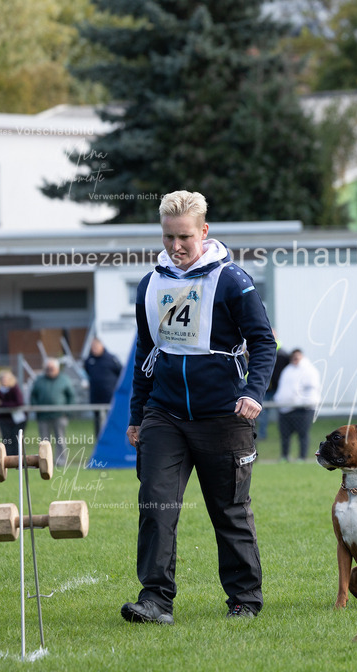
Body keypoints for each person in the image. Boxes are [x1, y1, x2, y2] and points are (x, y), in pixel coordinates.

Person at [122, 190, 276, 625]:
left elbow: (264, 342)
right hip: (164, 415)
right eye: (169, 237)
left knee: (228, 511)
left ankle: (244, 598)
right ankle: (155, 600)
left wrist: (253, 392)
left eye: (185, 237)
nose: (176, 246)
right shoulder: (150, 286)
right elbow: (145, 354)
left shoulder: (232, 280)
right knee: (156, 505)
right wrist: (137, 414)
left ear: (204, 232)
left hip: (224, 416)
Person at [273, 348, 321, 461]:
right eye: (293, 357)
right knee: (285, 435)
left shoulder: (309, 370)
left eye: (297, 357)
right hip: (285, 408)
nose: (295, 359)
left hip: (303, 408)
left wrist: (298, 399)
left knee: (302, 434)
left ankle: (302, 457)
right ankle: (284, 456)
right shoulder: (287, 370)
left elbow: (311, 388)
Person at [29, 358, 76, 466]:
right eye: (48, 368)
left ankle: (61, 462)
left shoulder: (64, 379)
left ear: (57, 368)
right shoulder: (39, 380)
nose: (50, 370)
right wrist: (36, 408)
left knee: (60, 439)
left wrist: (68, 411)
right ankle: (45, 461)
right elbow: (33, 395)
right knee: (44, 441)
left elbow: (71, 396)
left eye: (52, 368)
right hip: (43, 416)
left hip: (60, 416)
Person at [84, 338, 123, 437]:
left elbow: (121, 373)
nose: (94, 349)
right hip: (96, 397)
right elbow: (88, 372)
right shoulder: (89, 360)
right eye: (92, 347)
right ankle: (99, 439)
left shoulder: (111, 359)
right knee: (97, 421)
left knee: (112, 418)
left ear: (102, 346)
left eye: (96, 346)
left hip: (110, 396)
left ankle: (114, 437)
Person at [256, 336, 290, 441]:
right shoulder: (264, 351)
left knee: (283, 412)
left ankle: (284, 435)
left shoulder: (282, 354)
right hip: (267, 389)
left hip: (278, 389)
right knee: (262, 413)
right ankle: (262, 435)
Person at [0, 369, 26, 456]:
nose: (4, 381)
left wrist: (3, 404)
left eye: (6, 379)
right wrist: (6, 405)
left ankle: (18, 459)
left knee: (16, 439)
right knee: (6, 439)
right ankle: (8, 459)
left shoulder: (14, 388)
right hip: (4, 419)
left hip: (17, 419)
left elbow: (19, 402)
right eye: (2, 379)